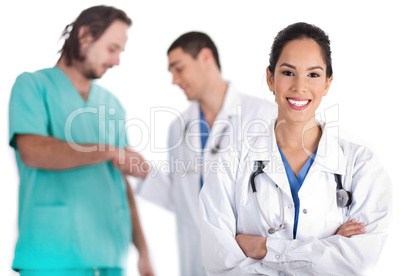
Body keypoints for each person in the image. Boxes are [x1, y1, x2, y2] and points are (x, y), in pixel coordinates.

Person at [199, 22, 392, 275]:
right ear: (270, 78)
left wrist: (264, 248)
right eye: (288, 72)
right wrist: (325, 247)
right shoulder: (230, 162)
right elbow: (220, 263)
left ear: (327, 83)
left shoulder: (361, 165)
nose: (299, 86)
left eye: (313, 74)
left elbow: (358, 260)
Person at [8, 6, 153, 276]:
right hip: (53, 256)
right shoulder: (32, 86)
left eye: (120, 51)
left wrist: (143, 252)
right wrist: (110, 151)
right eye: (112, 49)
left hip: (111, 256)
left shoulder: (112, 105)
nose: (117, 61)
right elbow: (33, 151)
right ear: (85, 36)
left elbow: (120, 184)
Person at [136, 32, 277, 275]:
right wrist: (142, 170)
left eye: (178, 69)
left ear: (205, 57)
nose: (174, 80)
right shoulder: (178, 128)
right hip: (196, 261)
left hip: (251, 263)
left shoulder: (263, 116)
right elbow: (184, 201)